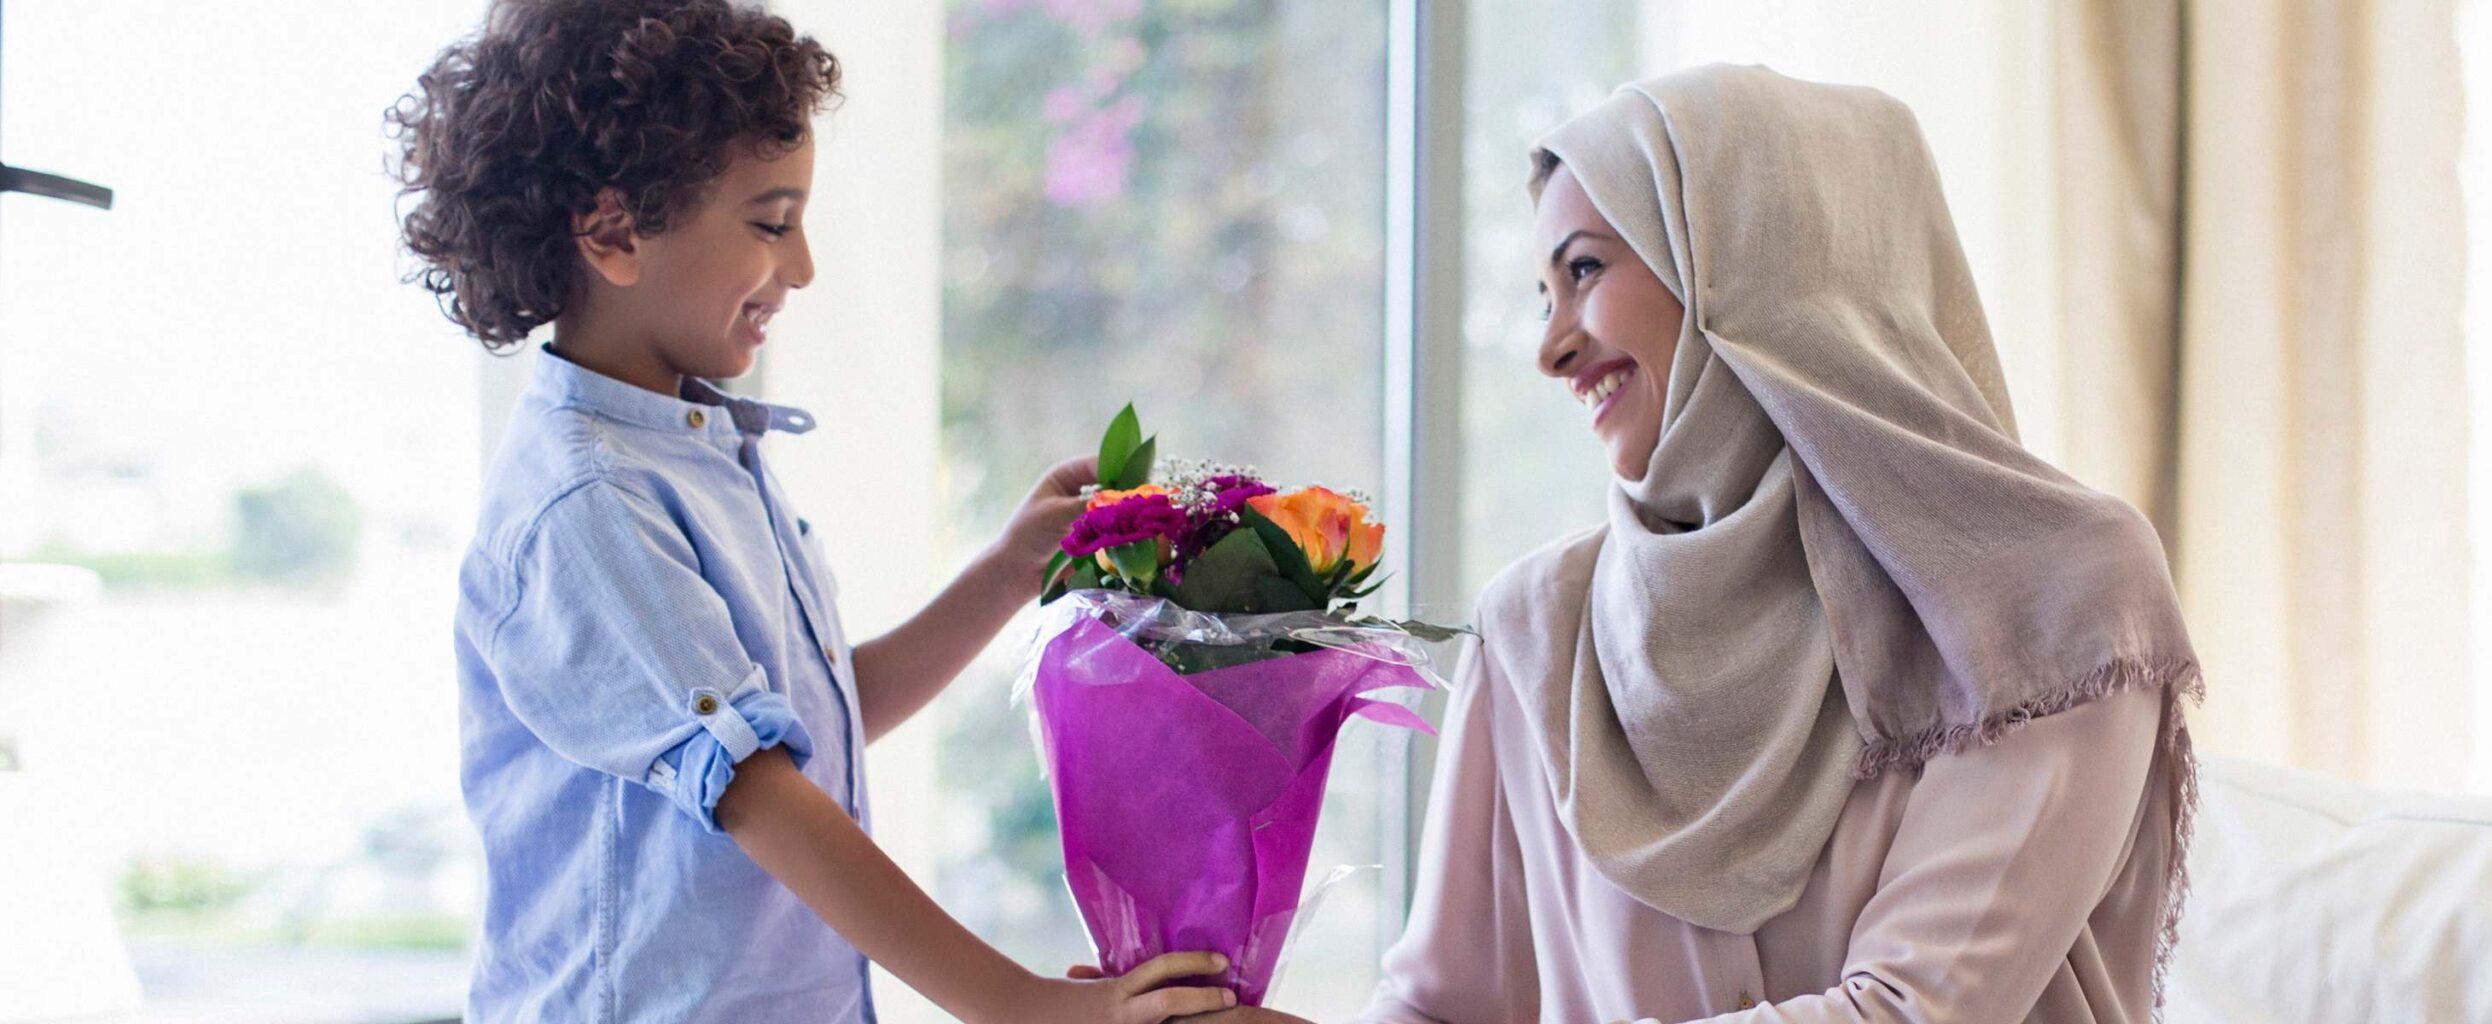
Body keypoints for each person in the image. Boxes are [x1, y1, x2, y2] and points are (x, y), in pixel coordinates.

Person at [1230, 63, 2202, 1024]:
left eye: (1584, 270)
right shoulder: (1535, 628)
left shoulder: (2048, 599)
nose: (1551, 347)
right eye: (1542, 293)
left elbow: (1913, 1012)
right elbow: (1442, 1003)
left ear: (1748, 266)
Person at [393, 3, 1235, 1020]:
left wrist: (1013, 569)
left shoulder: (697, 449)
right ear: (614, 231)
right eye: (770, 223)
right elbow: (756, 794)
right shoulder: (591, 503)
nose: (800, 268)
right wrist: (1023, 1005)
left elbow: (813, 725)